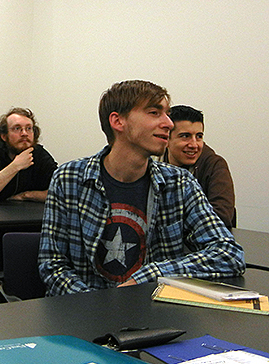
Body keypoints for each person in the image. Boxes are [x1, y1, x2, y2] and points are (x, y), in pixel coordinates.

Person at [39, 80, 244, 296]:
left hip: (153, 316)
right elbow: (53, 266)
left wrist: (151, 275)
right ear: (118, 121)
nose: (169, 123)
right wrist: (97, 303)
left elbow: (229, 254)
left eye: (167, 114)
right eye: (155, 113)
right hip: (84, 315)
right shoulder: (69, 179)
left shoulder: (180, 184)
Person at [0, 107, 58, 305]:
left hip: (26, 224)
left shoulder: (40, 155)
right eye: (17, 129)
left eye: (29, 128)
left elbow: (60, 190)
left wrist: (29, 195)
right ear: (4, 135)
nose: (25, 133)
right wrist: (16, 165)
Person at [162, 105, 236, 229]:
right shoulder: (152, 162)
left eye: (199, 136)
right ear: (167, 139)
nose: (194, 145)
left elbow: (222, 216)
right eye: (185, 136)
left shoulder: (215, 165)